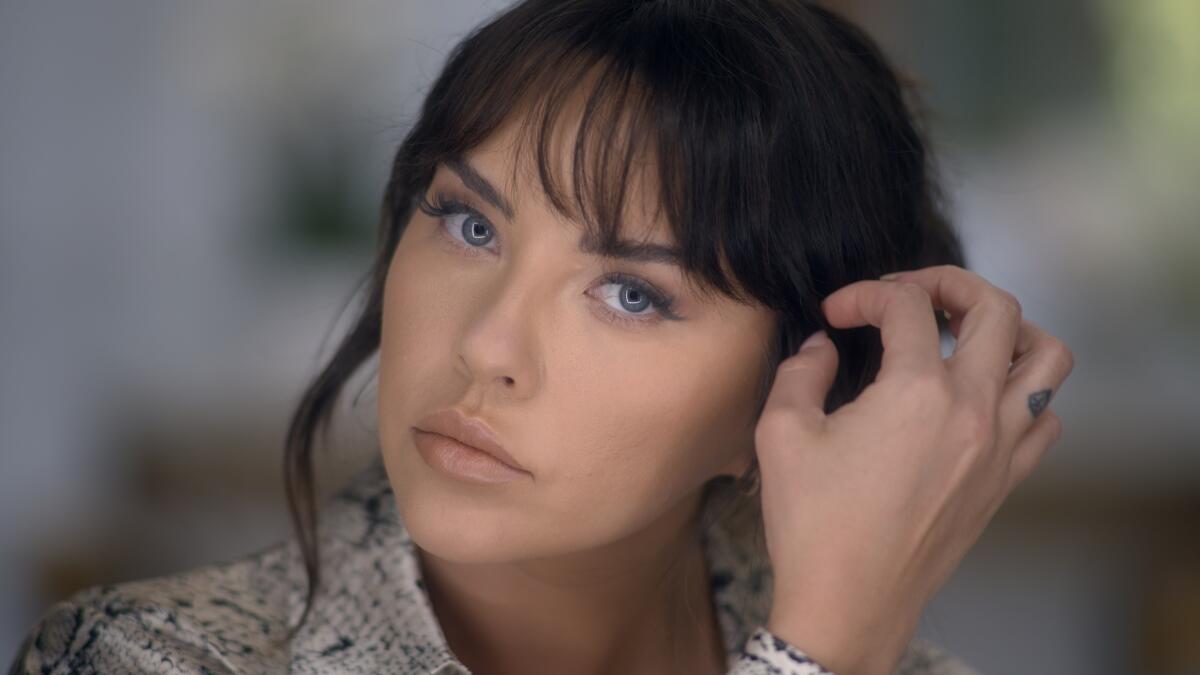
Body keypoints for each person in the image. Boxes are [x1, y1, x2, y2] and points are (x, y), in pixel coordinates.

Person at [9, 0, 1074, 673]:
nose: (486, 347)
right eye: (470, 224)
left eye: (631, 294)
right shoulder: (147, 659)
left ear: (794, 393)